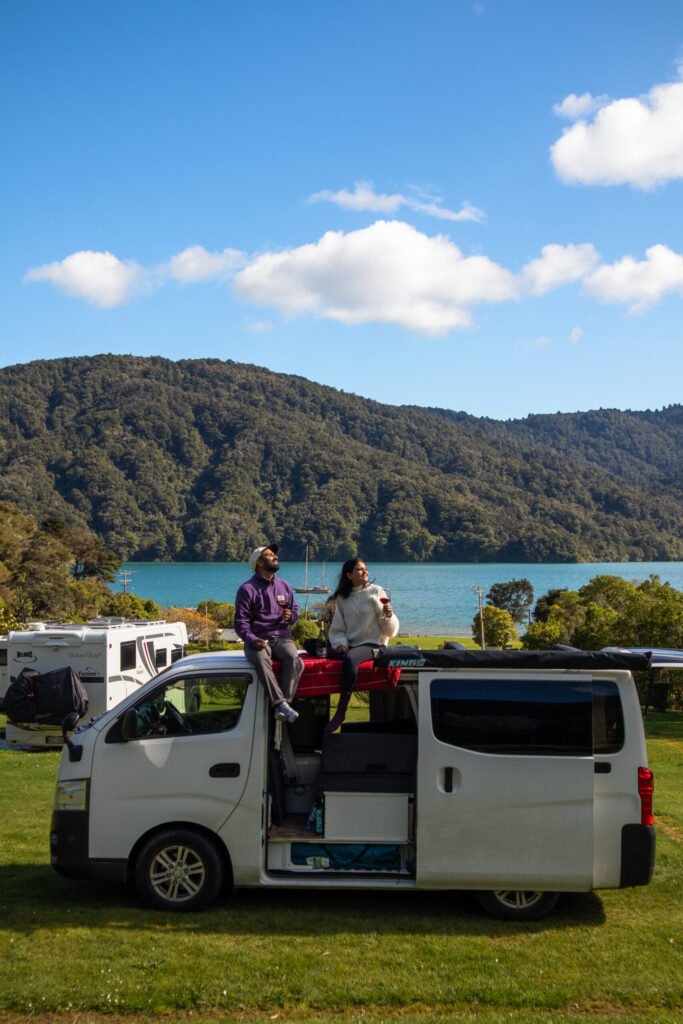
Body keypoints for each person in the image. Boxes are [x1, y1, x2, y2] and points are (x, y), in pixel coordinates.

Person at [325, 557, 399, 732]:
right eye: (360, 569)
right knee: (314, 646)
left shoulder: (377, 592)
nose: (365, 571)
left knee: (350, 659)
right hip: (352, 645)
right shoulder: (343, 598)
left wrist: (388, 615)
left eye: (365, 568)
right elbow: (338, 629)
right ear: (349, 575)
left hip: (374, 645)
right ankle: (343, 652)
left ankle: (340, 712)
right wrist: (340, 644)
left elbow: (389, 632)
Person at [234, 543, 304, 724]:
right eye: (270, 555)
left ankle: (283, 706)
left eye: (275, 554)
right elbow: (240, 623)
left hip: (282, 637)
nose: (276, 557)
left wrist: (291, 616)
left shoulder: (285, 586)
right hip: (257, 638)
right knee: (260, 659)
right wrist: (252, 639)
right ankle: (281, 703)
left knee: (294, 658)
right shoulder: (247, 589)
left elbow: (295, 612)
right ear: (259, 562)